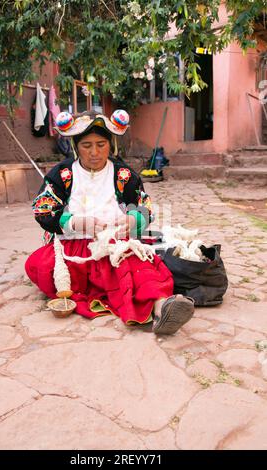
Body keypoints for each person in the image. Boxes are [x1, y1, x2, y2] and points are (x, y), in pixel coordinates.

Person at [25, 110, 195, 334]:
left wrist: (133, 218)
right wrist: (75, 222)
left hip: (115, 246)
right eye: (86, 145)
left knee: (139, 267)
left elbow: (145, 206)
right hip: (72, 247)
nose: (94, 152)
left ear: (111, 144)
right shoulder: (63, 174)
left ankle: (163, 309)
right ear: (76, 147)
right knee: (41, 266)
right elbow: (43, 209)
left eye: (101, 144)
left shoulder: (123, 174)